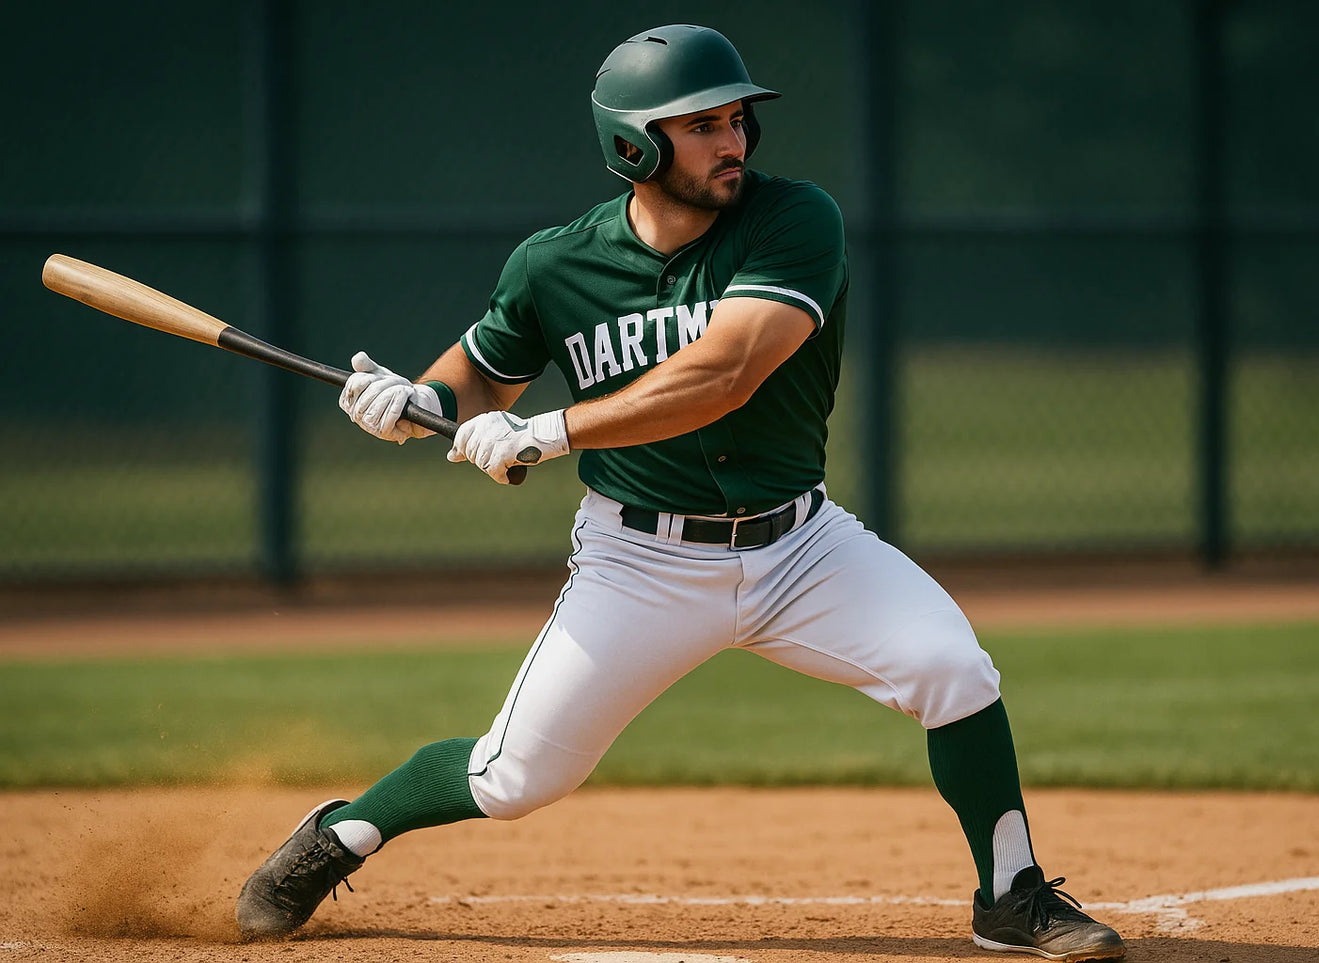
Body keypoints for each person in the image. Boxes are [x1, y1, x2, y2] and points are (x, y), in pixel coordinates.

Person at [235, 24, 1126, 961]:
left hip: (801, 548)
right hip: (639, 563)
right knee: (512, 777)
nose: (732, 140)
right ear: (631, 144)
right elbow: (478, 380)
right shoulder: (554, 262)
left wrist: (548, 431)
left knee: (952, 666)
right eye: (699, 125)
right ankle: (340, 832)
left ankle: (1011, 896)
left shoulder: (792, 219)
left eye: (736, 118)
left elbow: (726, 370)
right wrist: (411, 401)